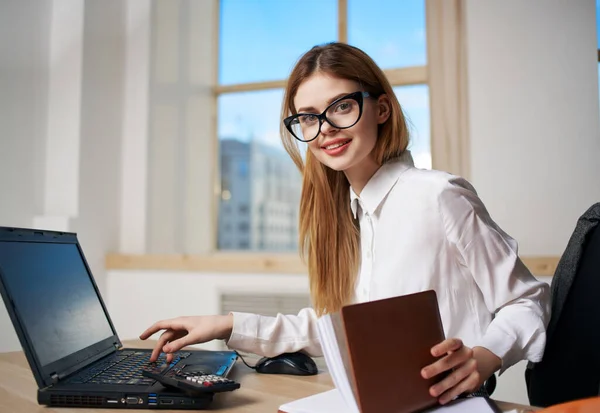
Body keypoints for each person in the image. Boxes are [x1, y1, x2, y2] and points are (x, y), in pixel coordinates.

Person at [140, 42, 550, 405]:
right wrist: (226, 324)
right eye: (308, 117)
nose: (325, 130)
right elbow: (340, 332)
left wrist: (484, 357)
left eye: (341, 107)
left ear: (382, 109)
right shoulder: (351, 215)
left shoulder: (439, 196)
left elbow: (528, 300)